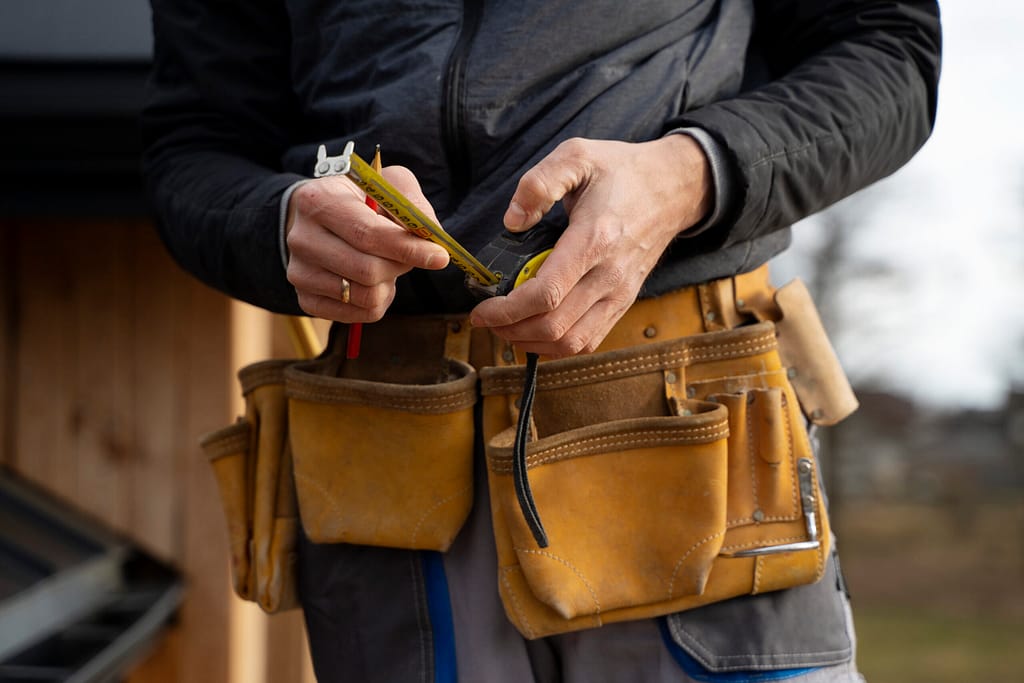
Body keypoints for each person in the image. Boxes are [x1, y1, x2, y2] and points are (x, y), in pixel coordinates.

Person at [142, 1, 941, 681]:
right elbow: (196, 141)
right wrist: (275, 220)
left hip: (686, 433)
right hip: (382, 470)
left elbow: (889, 51)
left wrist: (687, 174)